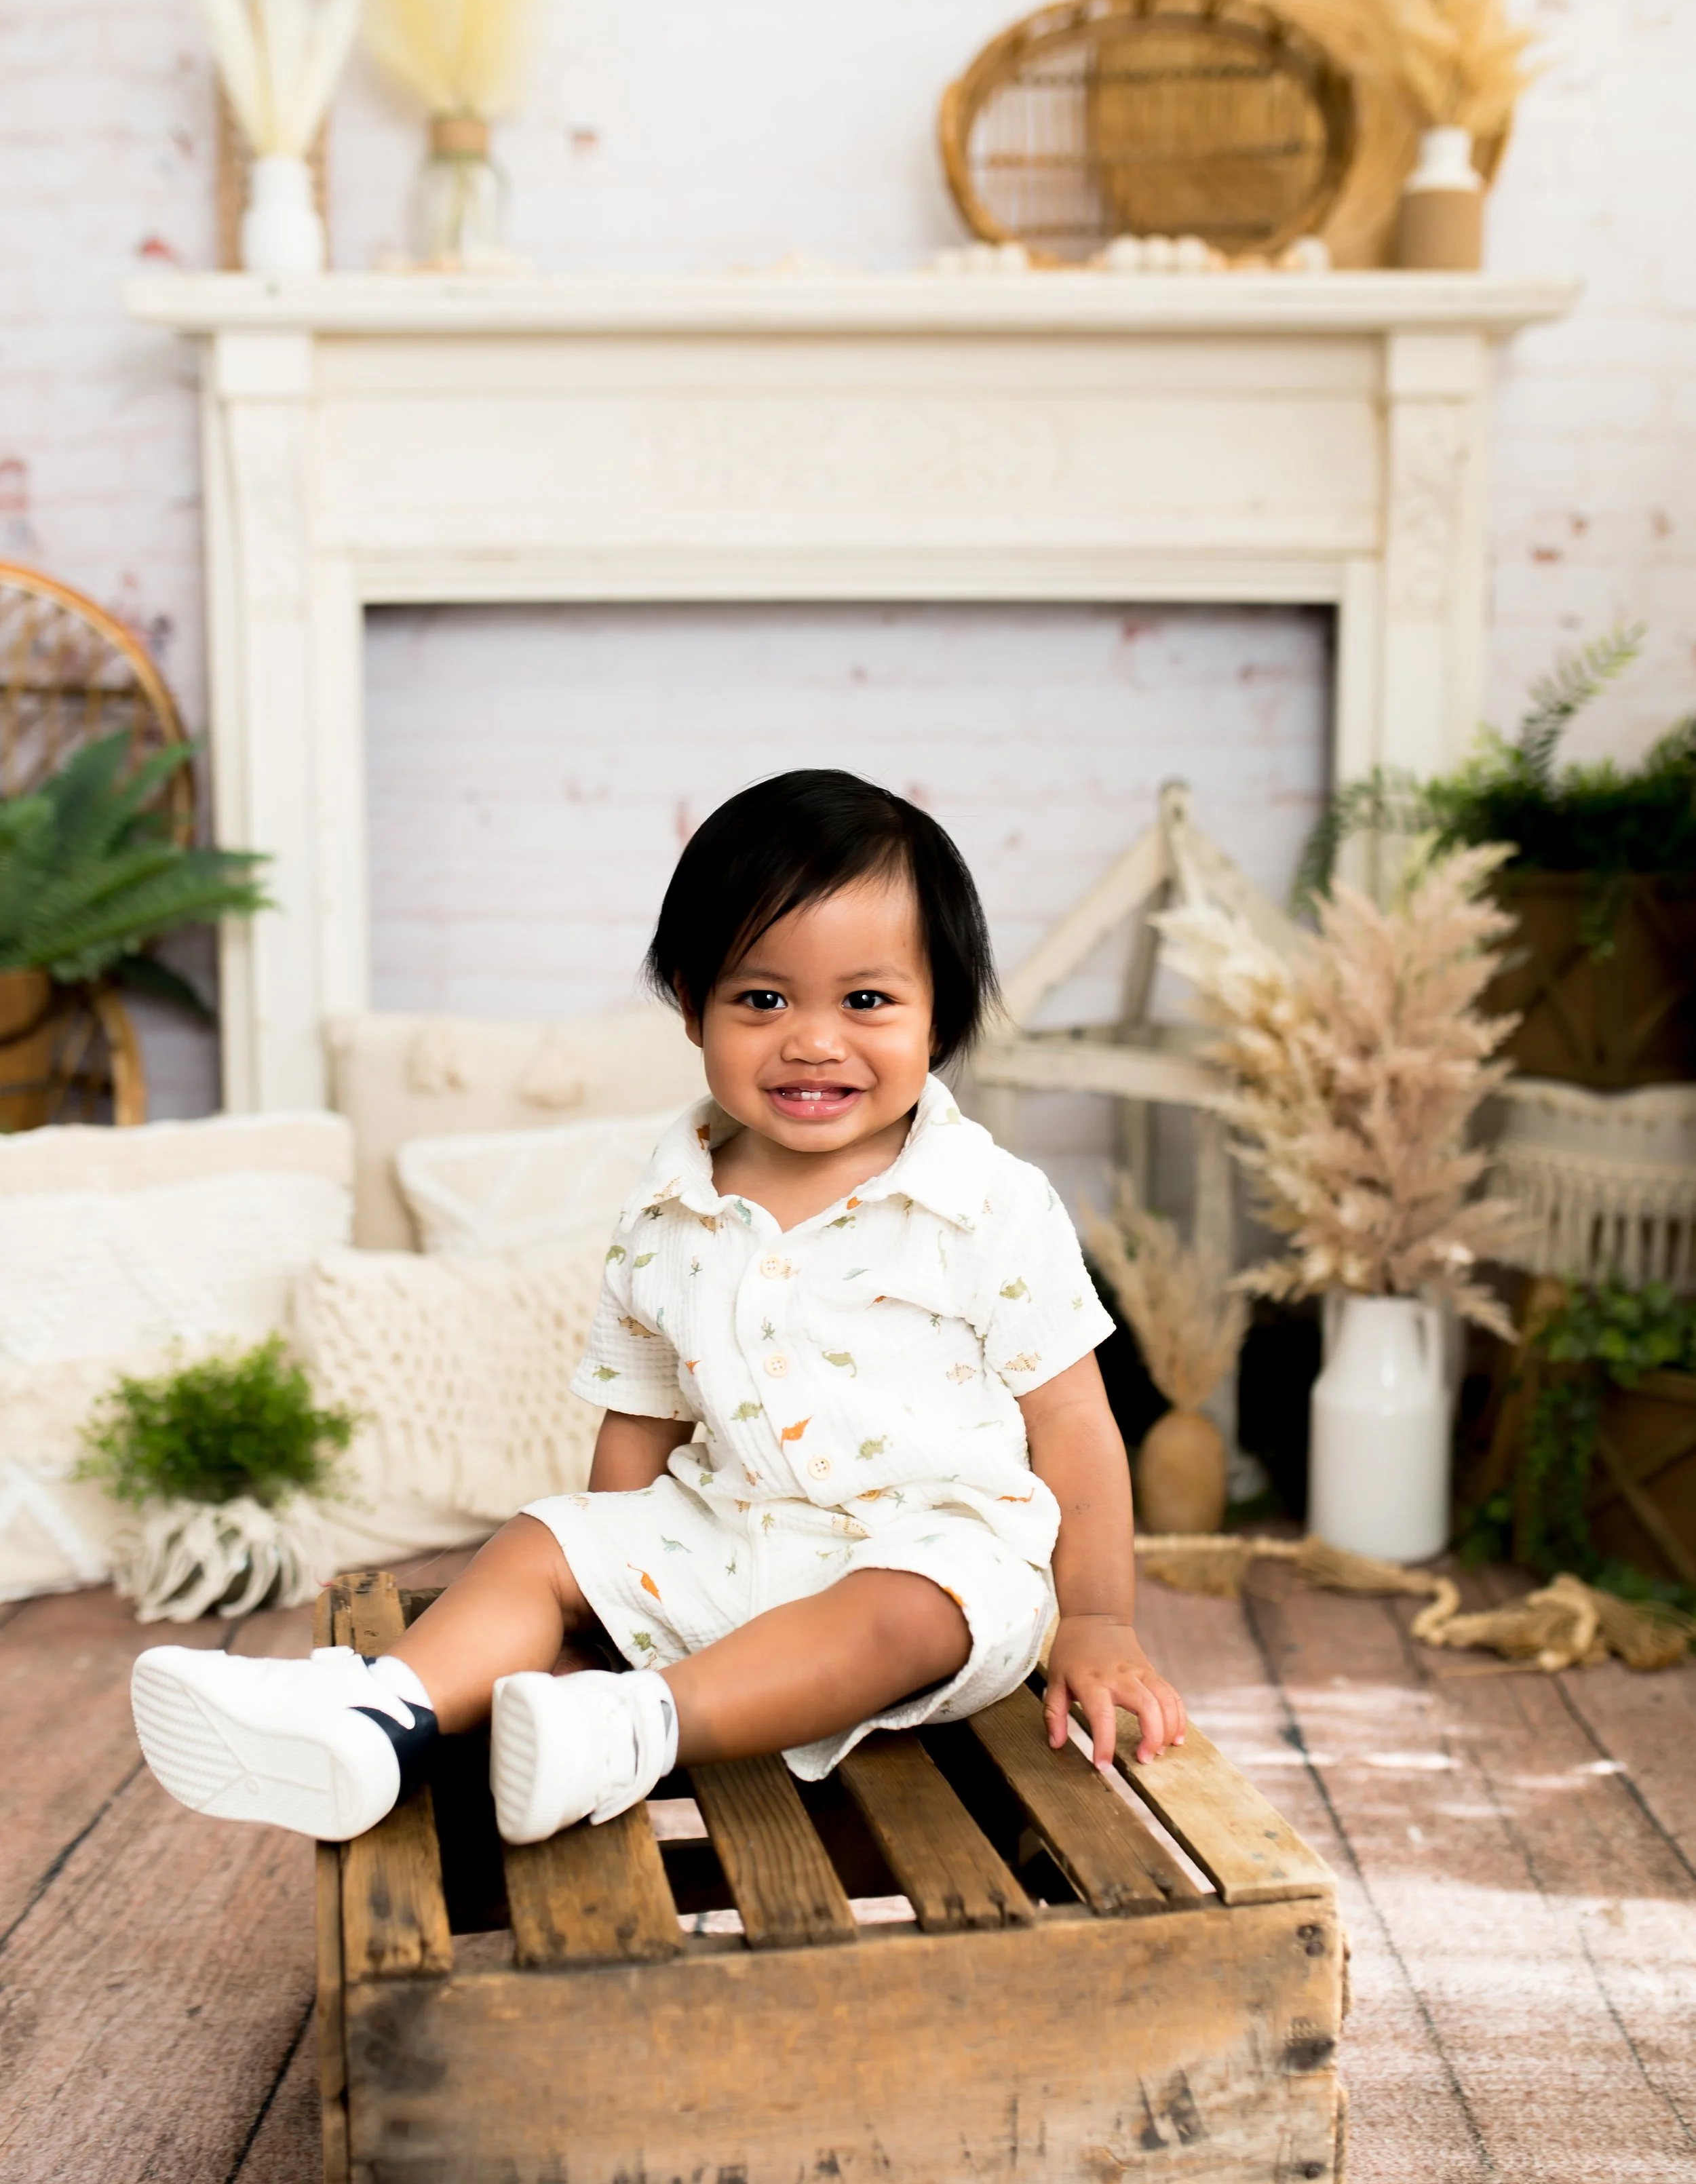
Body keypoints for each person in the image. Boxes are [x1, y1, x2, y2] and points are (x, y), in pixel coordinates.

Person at [131, 768, 1186, 1846]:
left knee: (908, 1609)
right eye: (762, 999)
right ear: (692, 1006)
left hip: (934, 1560)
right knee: (541, 1539)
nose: (813, 1039)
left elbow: (1073, 1425)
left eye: (866, 1001)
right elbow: (640, 1420)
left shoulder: (986, 1203)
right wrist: (609, 1584)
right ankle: (372, 1722)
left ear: (940, 1016)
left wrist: (1098, 1620)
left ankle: (636, 1728)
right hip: (727, 1544)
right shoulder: (669, 1207)